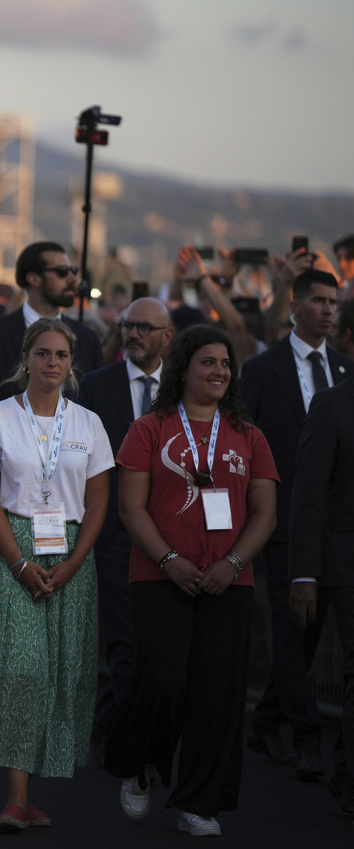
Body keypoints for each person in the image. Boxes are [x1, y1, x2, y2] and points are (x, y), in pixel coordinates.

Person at [105, 325, 278, 838]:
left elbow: (265, 514)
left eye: (225, 363)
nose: (220, 371)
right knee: (162, 679)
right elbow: (129, 507)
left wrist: (234, 564)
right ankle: (140, 762)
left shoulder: (250, 435)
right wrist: (169, 559)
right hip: (160, 576)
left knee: (217, 693)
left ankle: (199, 802)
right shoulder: (149, 429)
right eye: (208, 362)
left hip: (230, 582)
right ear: (183, 368)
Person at [0, 317, 113, 831]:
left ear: (71, 363)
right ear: (25, 359)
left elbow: (99, 501)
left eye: (61, 355)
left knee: (58, 670)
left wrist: (76, 560)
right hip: (7, 547)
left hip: (68, 549)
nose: (52, 363)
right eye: (42, 353)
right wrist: (18, 563)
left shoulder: (87, 423)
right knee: (22, 669)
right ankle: (15, 798)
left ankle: (28, 792)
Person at [242, 268, 347, 777]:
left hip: (336, 532)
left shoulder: (345, 372)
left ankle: (264, 724)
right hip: (282, 524)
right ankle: (306, 738)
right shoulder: (263, 371)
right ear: (295, 306)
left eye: (335, 302)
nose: (329, 309)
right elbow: (243, 442)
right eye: (320, 301)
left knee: (306, 640)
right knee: (289, 632)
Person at [76, 298, 174, 747]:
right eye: (127, 326)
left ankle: (109, 723)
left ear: (166, 337)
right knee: (123, 639)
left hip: (172, 531)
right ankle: (131, 741)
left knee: (155, 641)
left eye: (144, 328)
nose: (133, 334)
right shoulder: (95, 386)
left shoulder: (182, 388)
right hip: (113, 531)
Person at [0, 242, 103, 536]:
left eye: (73, 271)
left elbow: (92, 412)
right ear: (33, 278)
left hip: (68, 492)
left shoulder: (86, 338)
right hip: (6, 490)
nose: (73, 279)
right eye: (62, 272)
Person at [289, 376, 354, 815]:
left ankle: (346, 772)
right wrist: (304, 574)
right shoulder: (331, 405)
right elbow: (308, 495)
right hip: (344, 564)